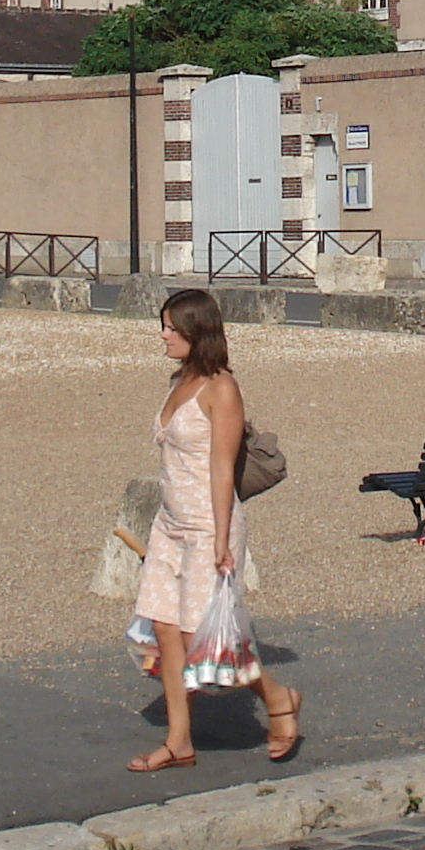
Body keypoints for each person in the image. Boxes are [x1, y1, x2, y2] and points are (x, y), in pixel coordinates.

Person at [129, 289, 300, 772]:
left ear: (195, 332)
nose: (162, 335)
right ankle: (179, 741)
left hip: (208, 525)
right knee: (164, 630)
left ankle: (278, 696)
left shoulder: (222, 389)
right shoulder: (180, 379)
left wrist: (223, 540)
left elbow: (223, 469)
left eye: (170, 328)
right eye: (162, 326)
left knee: (201, 640)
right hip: (169, 523)